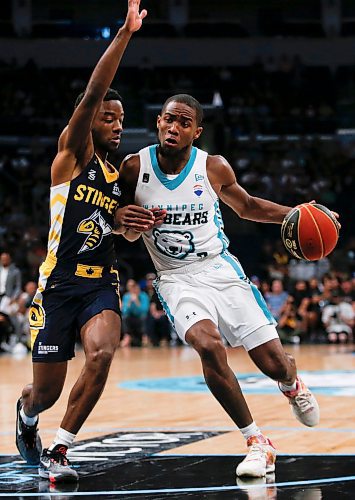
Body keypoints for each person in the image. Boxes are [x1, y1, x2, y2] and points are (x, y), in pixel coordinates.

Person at [115, 93, 328, 478]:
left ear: (196, 132)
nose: (173, 128)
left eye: (183, 123)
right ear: (158, 123)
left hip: (220, 270)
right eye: (168, 120)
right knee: (208, 345)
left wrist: (299, 213)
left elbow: (246, 206)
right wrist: (128, 222)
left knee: (273, 365)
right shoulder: (133, 167)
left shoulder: (211, 166)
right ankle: (256, 441)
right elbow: (121, 229)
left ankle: (291, 383)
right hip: (176, 279)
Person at [16, 0, 153, 483]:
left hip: (100, 284)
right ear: (91, 118)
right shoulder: (71, 156)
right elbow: (94, 91)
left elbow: (119, 228)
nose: (117, 124)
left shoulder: (118, 176)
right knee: (45, 393)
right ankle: (28, 416)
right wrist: (124, 35)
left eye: (121, 118)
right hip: (57, 285)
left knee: (102, 353)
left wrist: (130, 223)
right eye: (109, 117)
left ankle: (61, 446)